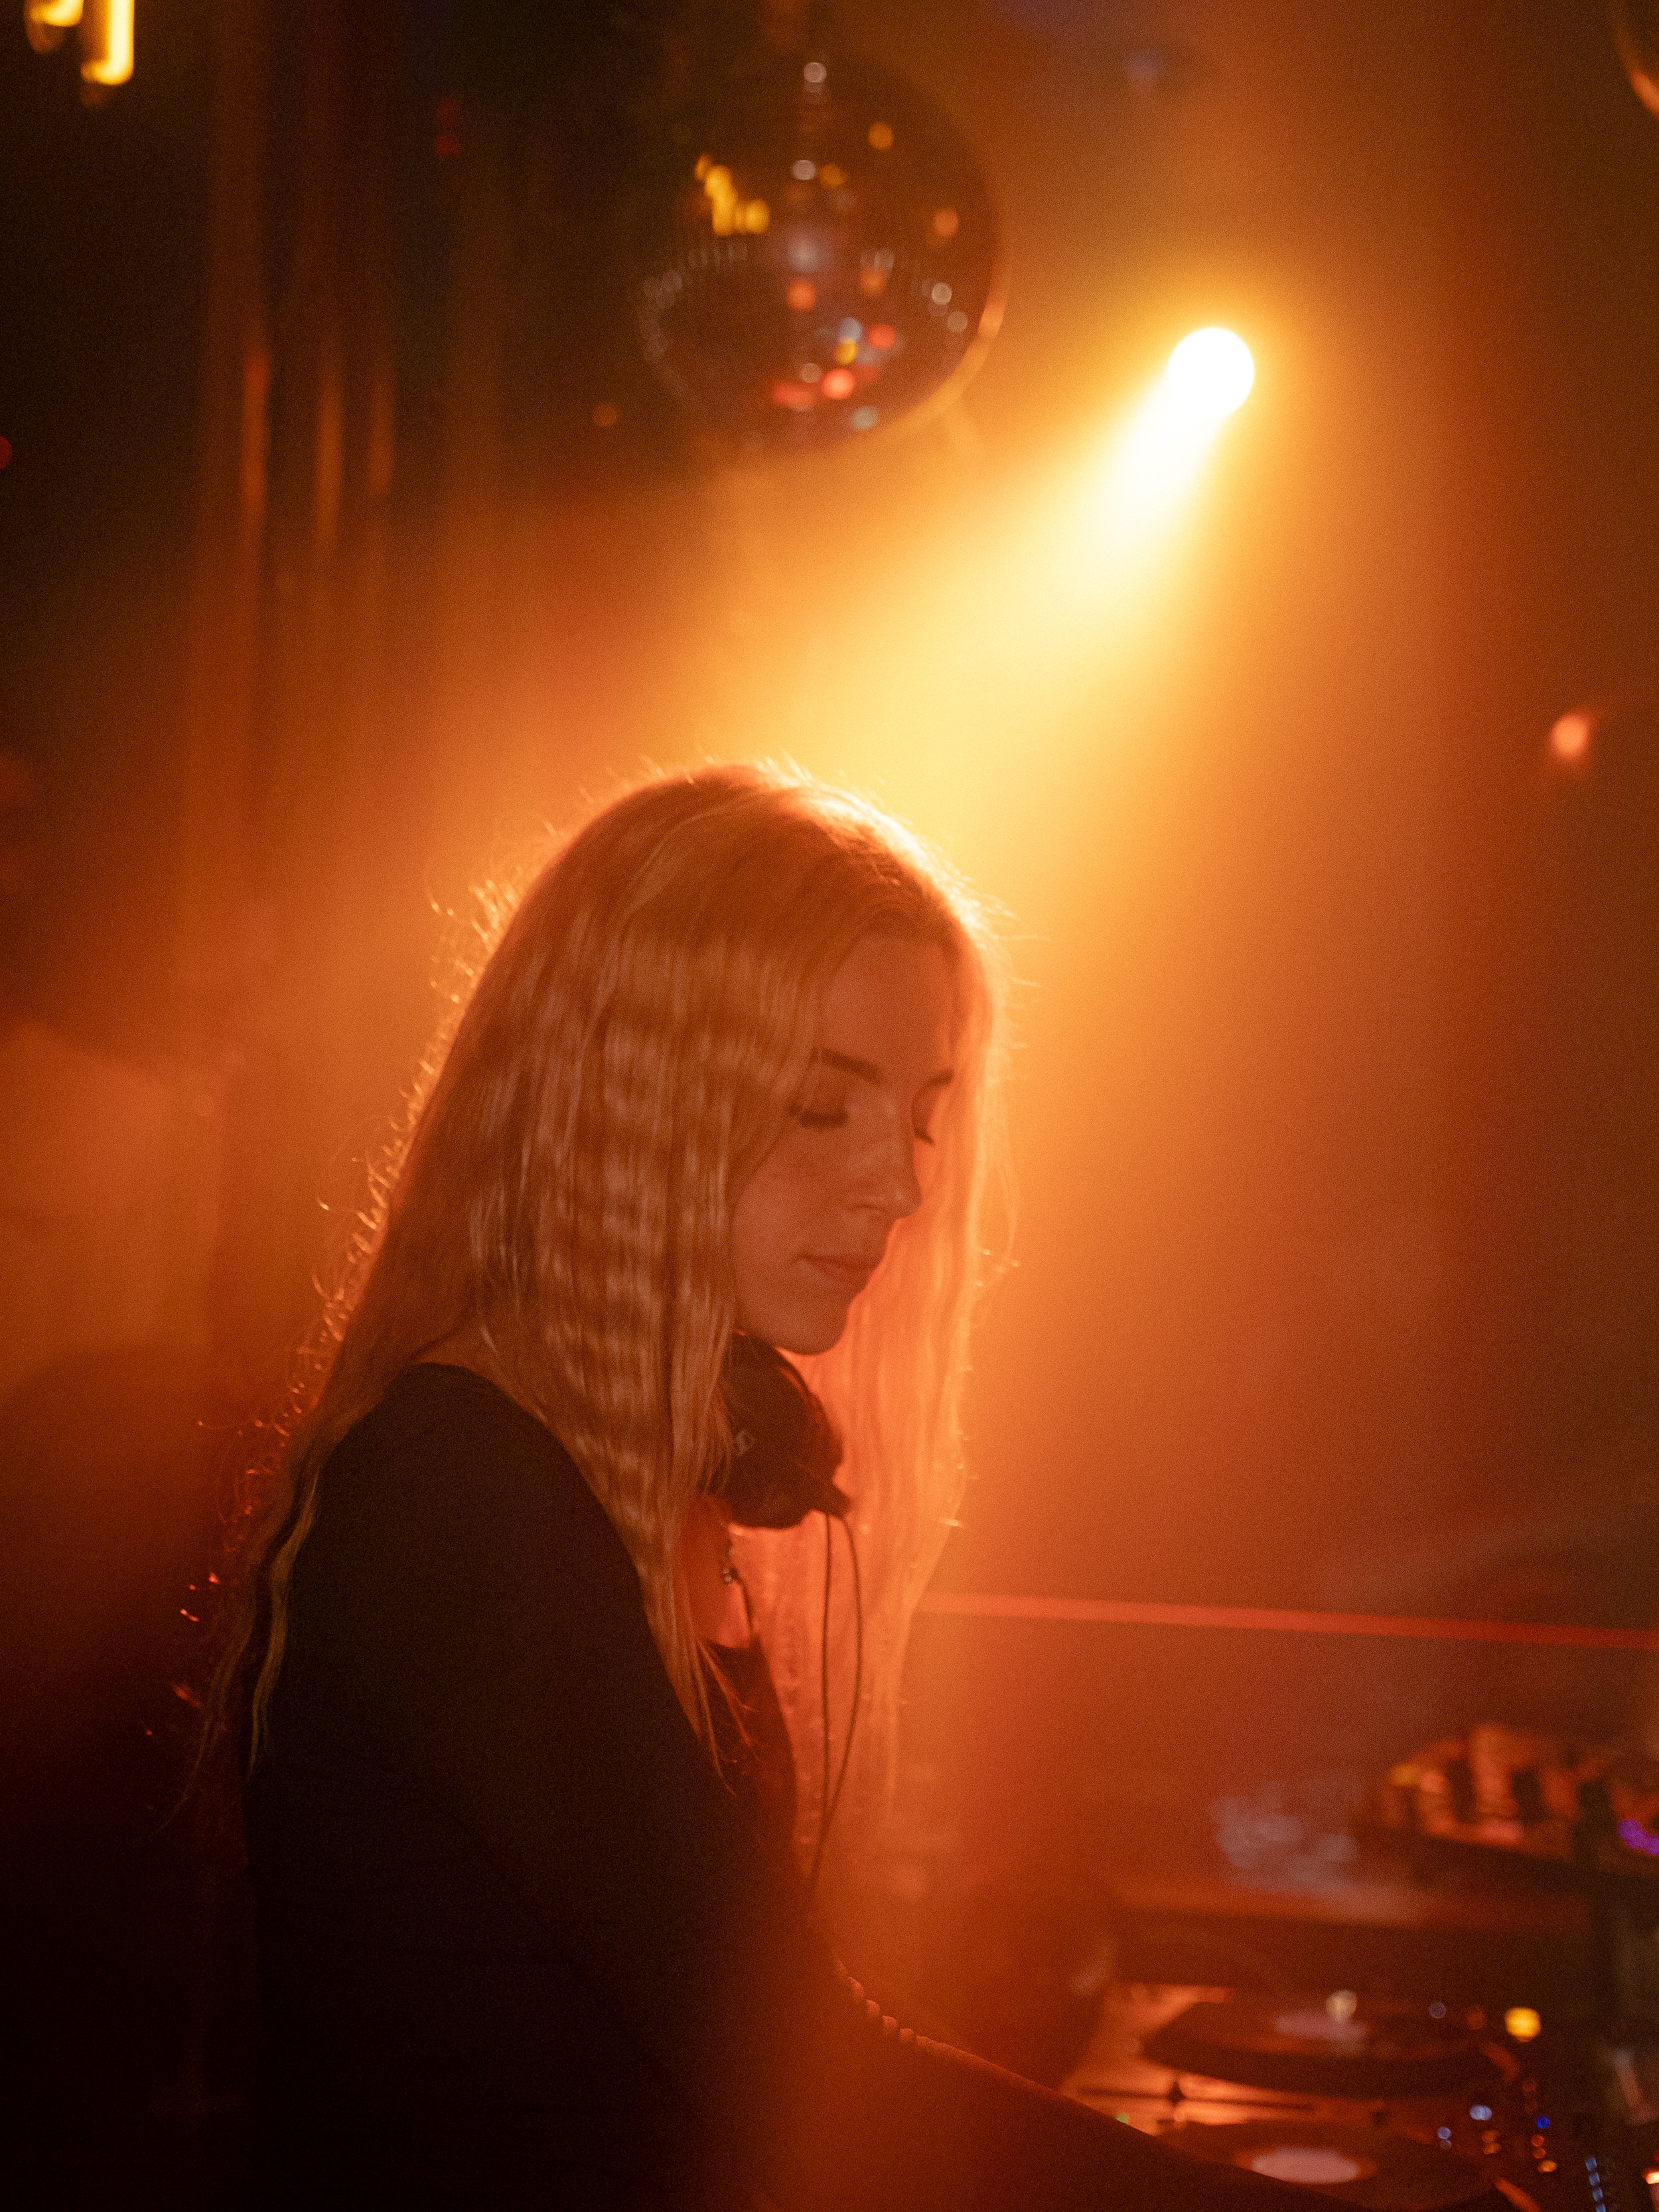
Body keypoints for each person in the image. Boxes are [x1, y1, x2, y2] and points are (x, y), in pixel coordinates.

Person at [221, 763, 1299, 2207]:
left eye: (919, 1114)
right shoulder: (463, 1499)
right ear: (632, 1106)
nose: (902, 1186)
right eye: (817, 1108)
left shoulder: (668, 1468)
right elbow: (794, 2077)